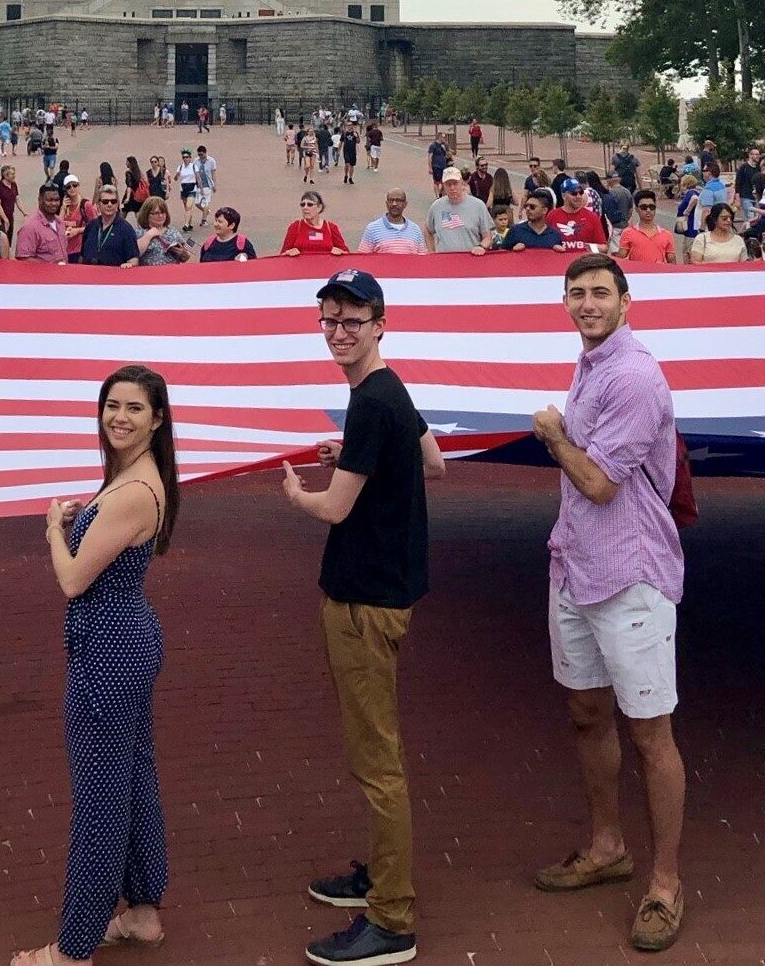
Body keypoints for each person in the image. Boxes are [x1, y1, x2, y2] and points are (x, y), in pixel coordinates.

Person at [283, 266, 445, 966]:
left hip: (362, 605)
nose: (339, 332)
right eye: (330, 320)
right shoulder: (387, 392)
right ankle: (378, 879)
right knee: (376, 755)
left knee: (377, 763)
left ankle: (392, 918)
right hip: (388, 595)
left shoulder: (371, 403)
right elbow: (431, 463)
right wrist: (353, 455)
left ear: (380, 323)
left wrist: (298, 492)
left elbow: (335, 508)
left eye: (352, 320)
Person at [532, 255, 686, 953]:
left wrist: (555, 436)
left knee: (650, 733)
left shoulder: (630, 376)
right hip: (575, 565)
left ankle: (665, 885)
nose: (587, 303)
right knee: (585, 712)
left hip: (630, 574)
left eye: (600, 293)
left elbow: (598, 484)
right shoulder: (590, 361)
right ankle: (605, 847)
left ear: (627, 301)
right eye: (577, 293)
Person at [16, 367, 178, 963]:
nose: (120, 418)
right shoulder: (137, 479)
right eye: (112, 405)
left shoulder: (135, 489)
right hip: (125, 646)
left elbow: (73, 578)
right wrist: (88, 519)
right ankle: (141, 911)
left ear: (157, 419)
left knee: (100, 803)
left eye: (135, 408)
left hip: (108, 657)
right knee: (133, 783)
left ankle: (73, 948)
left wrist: (56, 528)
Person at [424, 167, 494, 255]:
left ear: (462, 183)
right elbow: (427, 229)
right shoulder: (436, 206)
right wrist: (431, 252)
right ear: (443, 185)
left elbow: (488, 236)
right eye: (448, 184)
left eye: (455, 183)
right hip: (444, 261)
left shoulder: (478, 205)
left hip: (470, 259)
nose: (452, 188)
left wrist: (482, 247)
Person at [80, 186, 142, 268]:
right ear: (98, 204)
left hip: (114, 278)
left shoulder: (126, 229)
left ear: (117, 205)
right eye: (105, 201)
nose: (109, 204)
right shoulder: (91, 226)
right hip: (90, 277)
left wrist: (129, 265)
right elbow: (82, 256)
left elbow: (134, 260)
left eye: (113, 201)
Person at [547, 178, 608, 253]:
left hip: (583, 263)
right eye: (574, 193)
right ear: (563, 196)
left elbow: (604, 248)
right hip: (560, 262)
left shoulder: (592, 217)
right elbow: (545, 241)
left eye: (581, 192)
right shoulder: (552, 216)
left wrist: (591, 248)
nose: (578, 196)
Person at [615, 192, 677, 266]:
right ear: (637, 209)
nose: (648, 210)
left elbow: (672, 262)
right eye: (644, 207)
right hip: (638, 275)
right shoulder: (628, 232)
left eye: (652, 207)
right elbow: (621, 258)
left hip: (658, 275)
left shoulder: (667, 235)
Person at [281, 190, 348, 257]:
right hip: (300, 267)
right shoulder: (295, 227)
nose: (305, 207)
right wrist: (288, 253)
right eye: (302, 204)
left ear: (319, 207)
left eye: (310, 204)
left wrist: (340, 252)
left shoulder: (331, 228)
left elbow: (347, 255)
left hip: (326, 266)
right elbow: (282, 256)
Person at [359, 190, 426, 256]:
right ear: (386, 203)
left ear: (405, 204)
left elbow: (422, 258)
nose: (394, 204)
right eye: (391, 200)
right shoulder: (372, 229)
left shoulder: (415, 230)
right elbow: (363, 258)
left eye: (398, 200)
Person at [15, 184, 70, 264]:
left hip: (62, 274)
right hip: (41, 275)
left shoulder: (60, 223)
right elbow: (23, 259)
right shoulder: (30, 227)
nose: (54, 204)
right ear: (40, 200)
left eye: (57, 200)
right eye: (49, 200)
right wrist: (50, 265)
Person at [506, 188, 566, 253]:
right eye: (526, 206)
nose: (528, 209)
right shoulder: (515, 231)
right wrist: (512, 250)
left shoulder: (555, 235)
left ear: (544, 210)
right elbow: (502, 255)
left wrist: (560, 252)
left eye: (532, 207)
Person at [136, 196, 191, 266]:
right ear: (146, 214)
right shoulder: (139, 232)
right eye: (156, 213)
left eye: (163, 212)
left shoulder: (173, 232)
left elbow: (187, 256)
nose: (161, 216)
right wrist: (148, 235)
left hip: (171, 273)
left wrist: (183, 254)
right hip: (149, 274)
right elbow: (135, 254)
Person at [60, 176, 96, 263]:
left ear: (78, 186)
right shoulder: (64, 205)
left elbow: (95, 225)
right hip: (65, 249)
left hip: (80, 250)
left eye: (74, 185)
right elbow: (58, 225)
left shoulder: (86, 205)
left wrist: (77, 230)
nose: (72, 188)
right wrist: (63, 209)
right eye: (69, 186)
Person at [733, 147, 762, 223]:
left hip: (756, 197)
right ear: (750, 155)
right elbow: (738, 182)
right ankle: (749, 232)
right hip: (745, 196)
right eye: (755, 154)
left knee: (757, 218)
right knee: (750, 217)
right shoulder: (744, 167)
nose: (758, 156)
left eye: (758, 154)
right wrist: (737, 198)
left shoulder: (759, 168)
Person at [194, 144, 217, 225]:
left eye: (201, 154)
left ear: (205, 153)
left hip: (208, 184)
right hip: (198, 184)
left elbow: (213, 173)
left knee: (205, 202)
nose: (200, 156)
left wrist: (214, 184)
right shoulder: (196, 161)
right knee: (197, 202)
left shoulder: (211, 161)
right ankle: (206, 210)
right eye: (199, 154)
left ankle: (204, 220)